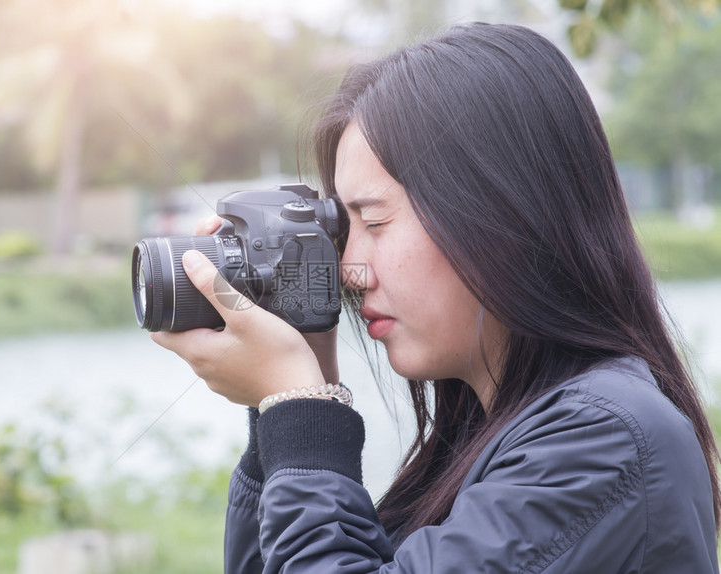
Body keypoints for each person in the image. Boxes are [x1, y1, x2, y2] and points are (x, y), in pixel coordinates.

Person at [151, 22, 720, 572]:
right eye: (342, 230)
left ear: (501, 213)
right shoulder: (491, 435)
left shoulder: (602, 440)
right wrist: (290, 401)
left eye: (373, 222)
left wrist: (300, 411)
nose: (350, 269)